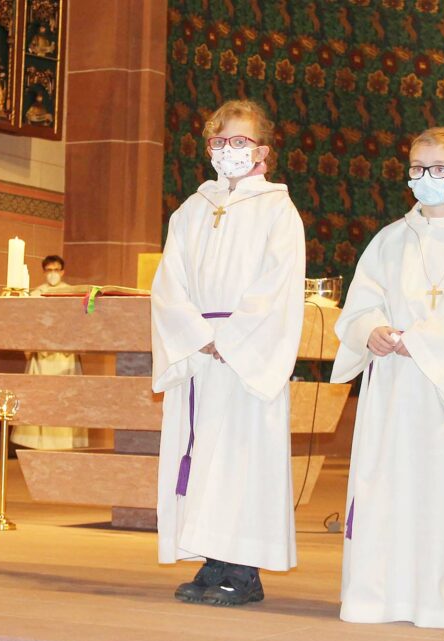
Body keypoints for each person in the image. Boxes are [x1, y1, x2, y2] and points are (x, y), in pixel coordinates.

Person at [331, 126, 444, 628]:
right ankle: (378, 597)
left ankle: (443, 599)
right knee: (385, 486)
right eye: (416, 168)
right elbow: (360, 304)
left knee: (443, 487)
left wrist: (422, 341)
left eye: (438, 169)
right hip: (391, 384)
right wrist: (371, 330)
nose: (424, 177)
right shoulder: (391, 239)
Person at [150, 100, 305, 606]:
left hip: (244, 357)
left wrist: (233, 339)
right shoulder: (191, 209)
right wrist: (196, 334)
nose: (227, 150)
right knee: (202, 457)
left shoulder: (277, 211)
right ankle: (213, 558)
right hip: (200, 350)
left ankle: (243, 570)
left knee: (241, 458)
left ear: (263, 151)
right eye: (219, 141)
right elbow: (168, 282)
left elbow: (278, 285)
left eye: (240, 141)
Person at [10, 255, 88, 450]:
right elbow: (30, 323)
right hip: (43, 354)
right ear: (44, 272)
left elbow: (79, 324)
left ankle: (64, 444)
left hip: (65, 355)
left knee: (64, 399)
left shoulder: (73, 293)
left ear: (63, 271)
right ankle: (40, 444)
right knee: (41, 397)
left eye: (56, 270)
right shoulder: (36, 294)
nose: (53, 274)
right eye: (49, 270)